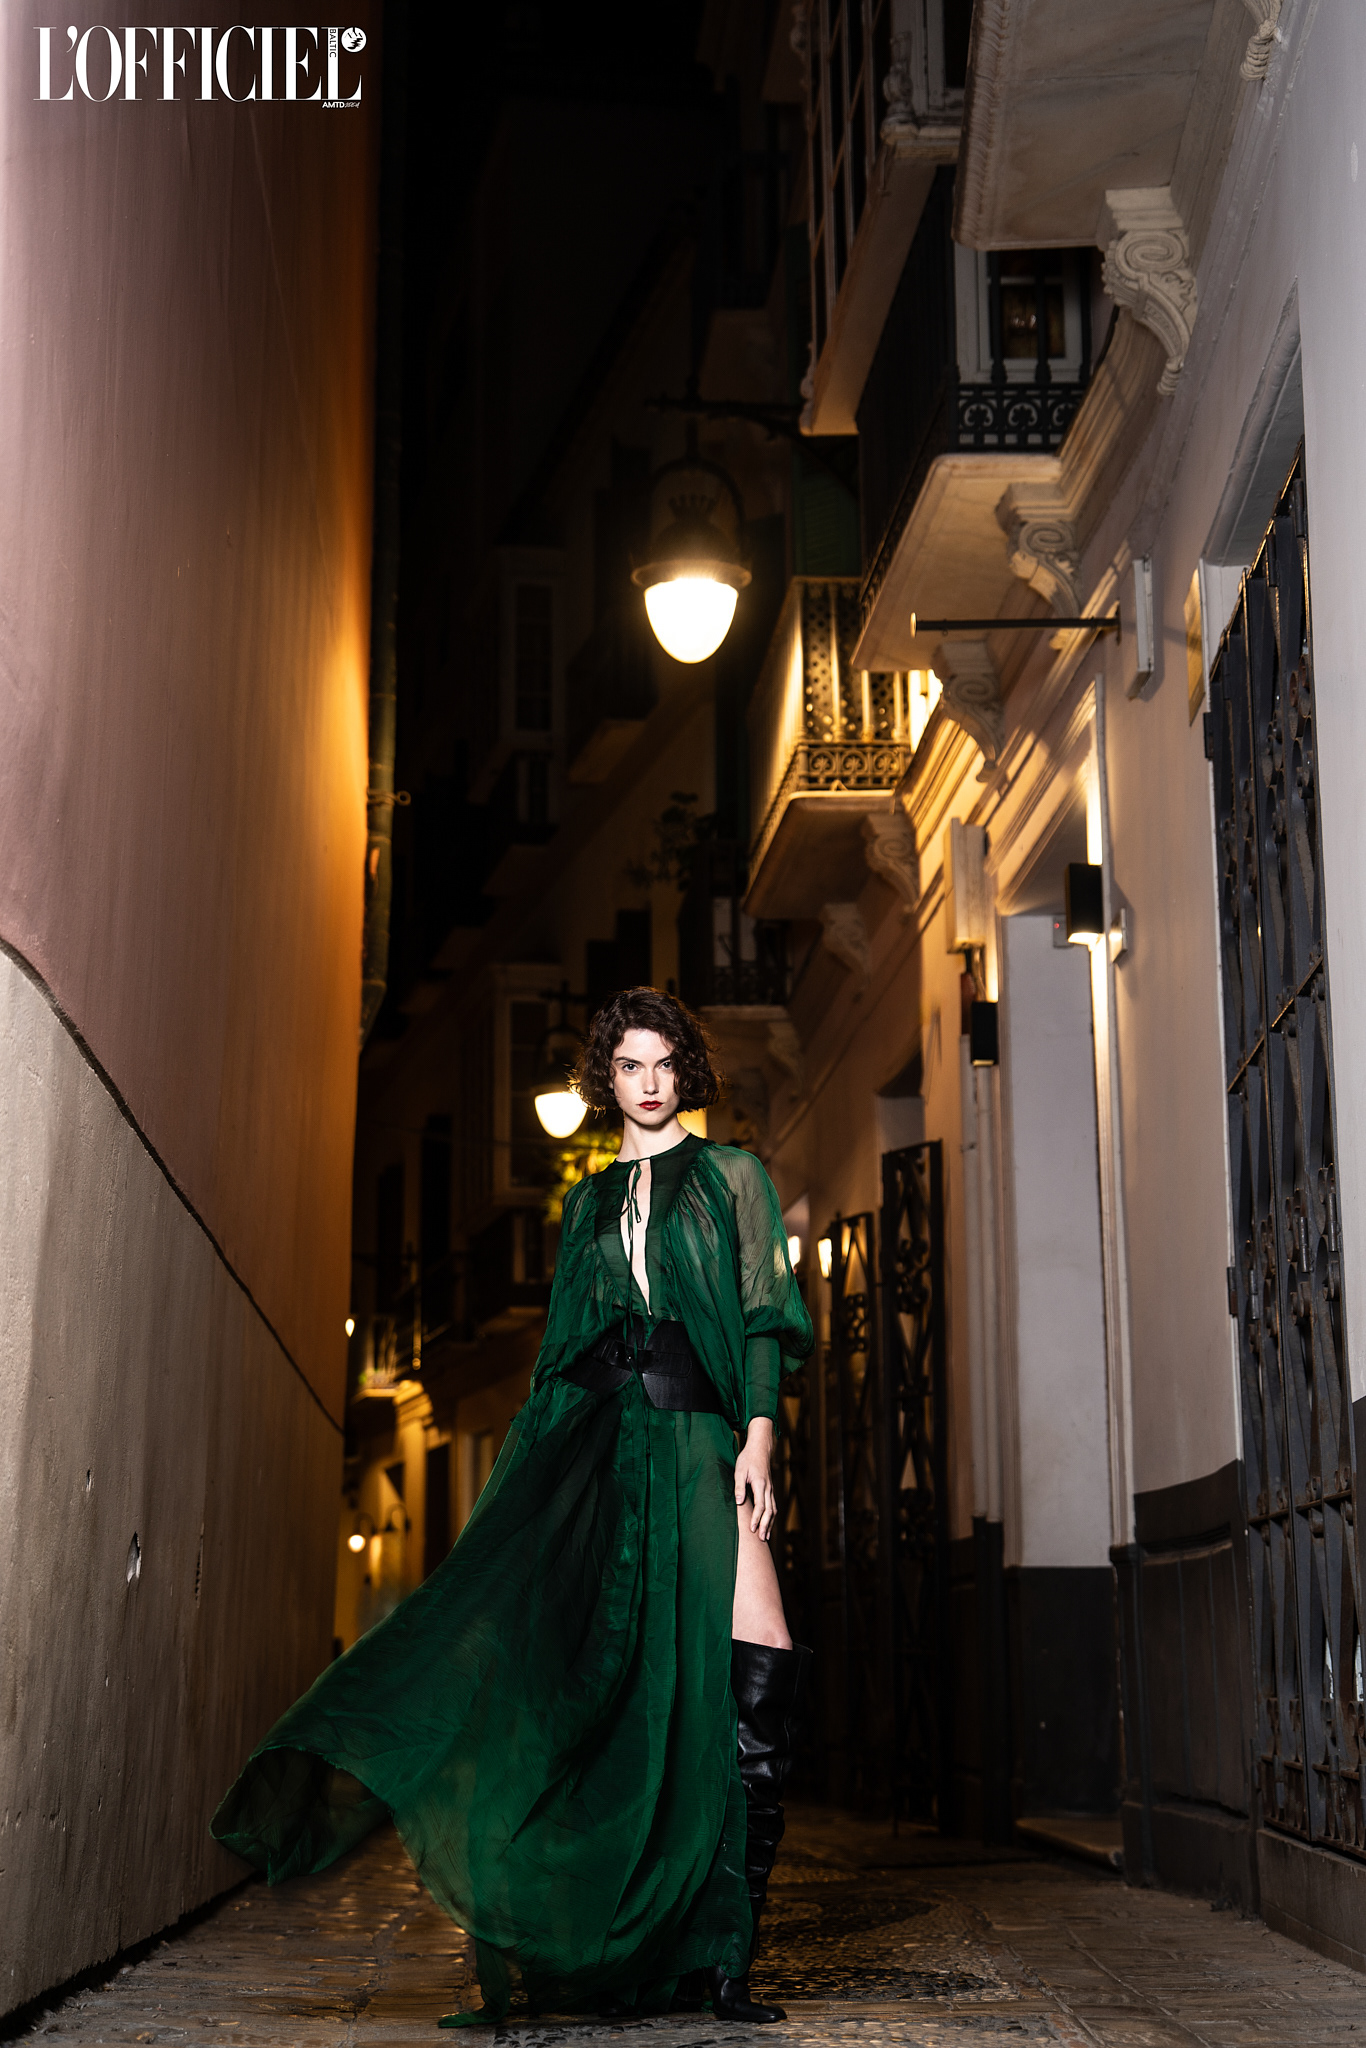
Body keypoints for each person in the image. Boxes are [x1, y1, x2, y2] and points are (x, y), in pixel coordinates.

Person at [211, 986, 814, 2026]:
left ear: (687, 1069)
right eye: (629, 1064)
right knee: (609, 1684)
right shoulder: (585, 1205)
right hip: (601, 1451)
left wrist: (757, 1433)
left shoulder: (733, 1176)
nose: (650, 1081)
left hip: (701, 1445)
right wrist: (526, 1488)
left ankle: (729, 1955)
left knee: (758, 1663)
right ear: (607, 1079)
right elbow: (560, 1356)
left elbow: (764, 1317)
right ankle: (630, 1938)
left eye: (665, 1061)